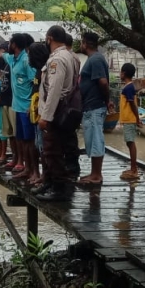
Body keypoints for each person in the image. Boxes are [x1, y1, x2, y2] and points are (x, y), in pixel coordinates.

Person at [0, 34, 37, 181]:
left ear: (15, 45)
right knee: (21, 139)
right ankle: (26, 168)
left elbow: (35, 81)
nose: (8, 45)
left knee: (29, 142)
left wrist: (33, 104)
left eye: (10, 43)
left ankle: (32, 170)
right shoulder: (12, 59)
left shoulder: (25, 60)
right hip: (17, 106)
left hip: (26, 107)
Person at [35, 26, 79, 202]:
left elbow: (54, 89)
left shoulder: (57, 60)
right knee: (59, 147)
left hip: (57, 109)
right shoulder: (70, 56)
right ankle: (50, 182)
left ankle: (59, 188)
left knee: (52, 150)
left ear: (49, 38)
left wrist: (46, 116)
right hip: (64, 109)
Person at [78, 32, 110, 185]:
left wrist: (107, 100)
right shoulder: (93, 59)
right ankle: (94, 172)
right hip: (90, 106)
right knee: (91, 139)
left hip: (94, 106)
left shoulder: (96, 59)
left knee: (96, 139)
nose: (80, 46)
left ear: (85, 43)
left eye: (81, 43)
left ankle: (97, 175)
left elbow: (103, 82)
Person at [27, 42, 51, 186]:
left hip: (43, 113)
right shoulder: (38, 71)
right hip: (35, 111)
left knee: (43, 145)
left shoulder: (45, 70)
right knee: (37, 144)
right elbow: (35, 90)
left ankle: (45, 176)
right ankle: (38, 173)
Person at [118, 63, 142, 181]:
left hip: (130, 119)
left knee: (130, 142)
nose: (120, 74)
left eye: (121, 72)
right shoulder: (129, 86)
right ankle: (133, 167)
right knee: (129, 142)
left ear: (124, 73)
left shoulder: (128, 88)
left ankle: (133, 169)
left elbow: (132, 104)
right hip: (128, 119)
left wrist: (137, 119)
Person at [63, 34, 82, 180]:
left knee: (67, 135)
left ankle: (71, 166)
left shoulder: (66, 57)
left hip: (68, 101)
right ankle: (72, 165)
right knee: (70, 135)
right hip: (74, 101)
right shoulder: (75, 57)